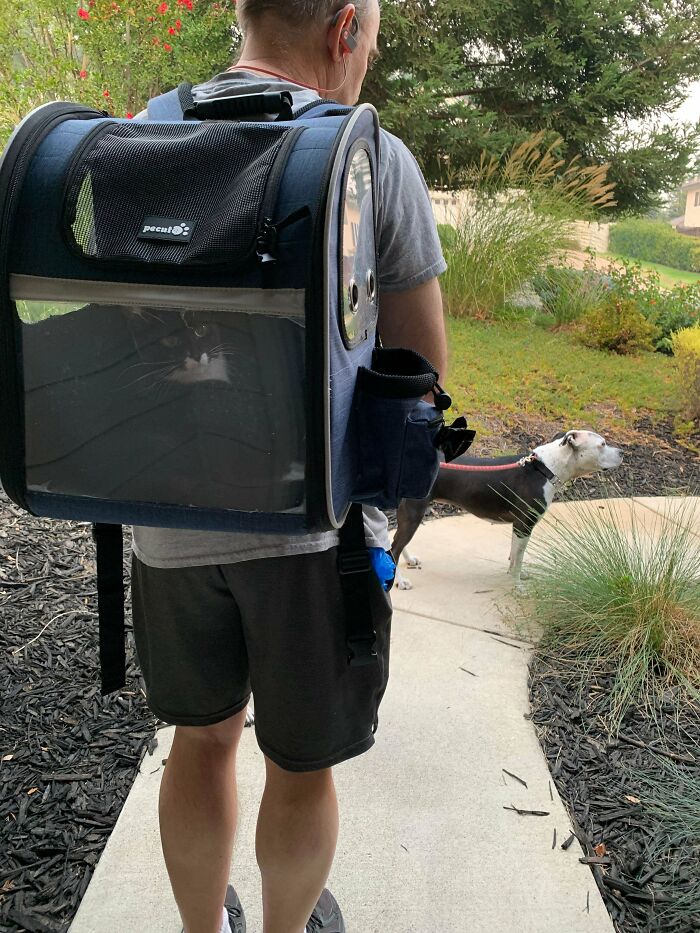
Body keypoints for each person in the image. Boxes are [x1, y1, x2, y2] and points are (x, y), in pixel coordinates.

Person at [130, 2, 448, 931]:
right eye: (372, 44)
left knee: (200, 737)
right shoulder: (370, 155)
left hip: (168, 513)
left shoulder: (148, 136)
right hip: (315, 529)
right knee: (301, 766)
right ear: (345, 28)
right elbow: (420, 370)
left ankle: (202, 928)